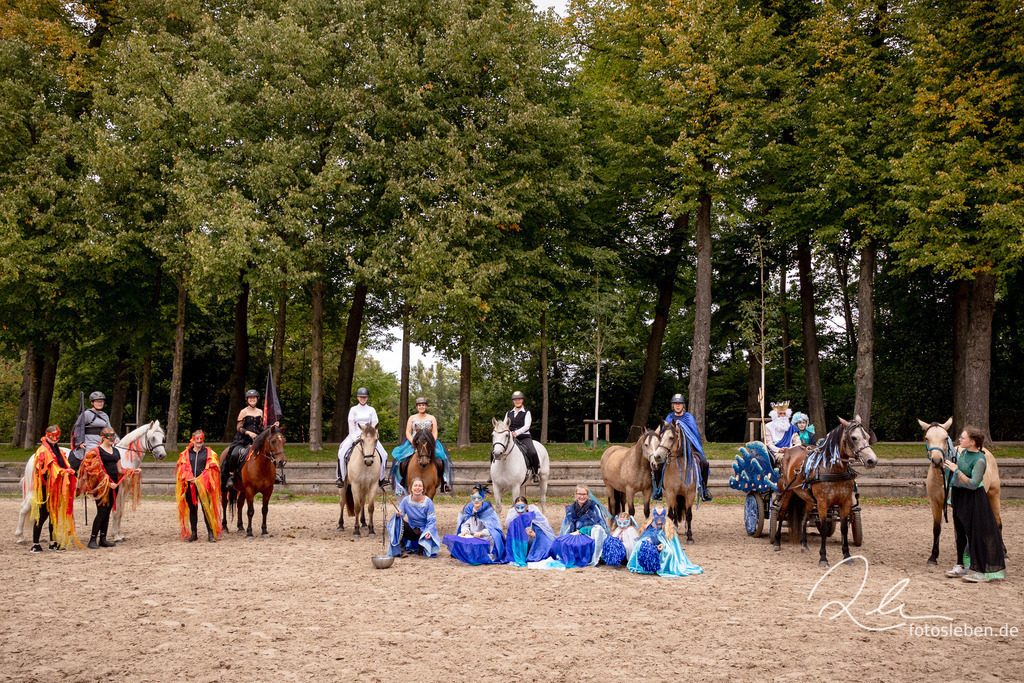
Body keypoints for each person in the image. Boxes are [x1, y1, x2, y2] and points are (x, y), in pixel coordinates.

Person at [943, 426, 1005, 582]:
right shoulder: (964, 453)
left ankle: (981, 571)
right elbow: (957, 476)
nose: (960, 440)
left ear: (972, 442)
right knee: (960, 532)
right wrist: (949, 469)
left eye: (963, 438)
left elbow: (973, 483)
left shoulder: (980, 459)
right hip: (959, 497)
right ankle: (961, 565)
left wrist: (956, 470)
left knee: (975, 534)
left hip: (973, 499)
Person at [29, 425, 81, 552]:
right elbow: (43, 470)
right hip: (45, 487)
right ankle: (35, 543)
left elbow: (62, 464)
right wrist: (62, 471)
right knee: (42, 515)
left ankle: (53, 542)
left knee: (54, 515)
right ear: (46, 435)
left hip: (57, 487)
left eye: (56, 436)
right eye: (51, 436)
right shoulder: (42, 451)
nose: (54, 438)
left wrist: (68, 470)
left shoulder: (58, 450)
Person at [390, 397, 453, 493]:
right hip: (415, 442)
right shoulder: (412, 418)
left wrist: (432, 441)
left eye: (423, 405)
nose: (421, 407)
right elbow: (407, 432)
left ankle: (444, 482)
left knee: (442, 458)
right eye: (419, 405)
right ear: (417, 407)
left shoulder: (432, 418)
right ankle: (402, 481)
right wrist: (413, 441)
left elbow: (435, 432)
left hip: (429, 443)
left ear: (426, 407)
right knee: (401, 460)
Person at [627, 504, 703, 577]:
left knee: (668, 551)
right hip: (650, 544)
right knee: (639, 546)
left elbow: (670, 541)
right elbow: (645, 536)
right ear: (653, 516)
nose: (659, 518)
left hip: (663, 545)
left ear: (665, 516)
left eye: (662, 515)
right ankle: (645, 567)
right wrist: (647, 541)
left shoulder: (669, 527)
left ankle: (663, 568)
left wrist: (663, 544)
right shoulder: (649, 525)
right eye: (657, 515)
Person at [336, 387, 390, 489]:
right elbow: (351, 424)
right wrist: (353, 438)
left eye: (365, 397)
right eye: (361, 397)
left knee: (384, 454)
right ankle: (340, 477)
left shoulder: (371, 410)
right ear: (357, 397)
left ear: (367, 398)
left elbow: (374, 424)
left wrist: (374, 436)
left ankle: (382, 478)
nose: (363, 399)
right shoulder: (353, 409)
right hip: (356, 434)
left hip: (369, 436)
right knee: (342, 452)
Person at [79, 428, 123, 549]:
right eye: (110, 438)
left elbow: (119, 469)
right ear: (103, 438)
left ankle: (103, 538)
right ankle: (93, 538)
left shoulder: (116, 451)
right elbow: (95, 472)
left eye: (113, 437)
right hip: (101, 486)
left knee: (108, 511)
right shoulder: (96, 451)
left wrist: (132, 472)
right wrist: (108, 484)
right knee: (102, 511)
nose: (113, 440)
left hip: (114, 484)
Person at [174, 430, 221, 543]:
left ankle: (210, 533)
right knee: (192, 509)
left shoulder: (209, 452)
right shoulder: (186, 454)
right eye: (197, 439)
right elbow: (182, 469)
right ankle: (194, 533)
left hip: (204, 486)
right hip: (190, 486)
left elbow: (211, 468)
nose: (199, 441)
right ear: (193, 440)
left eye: (201, 439)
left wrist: (200, 479)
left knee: (206, 509)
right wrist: (190, 478)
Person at [664, 393, 712, 502]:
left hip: (690, 448)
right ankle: (658, 489)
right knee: (659, 463)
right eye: (675, 404)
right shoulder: (669, 417)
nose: (677, 406)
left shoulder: (688, 417)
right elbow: (665, 434)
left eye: (679, 404)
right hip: (671, 449)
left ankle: (704, 489)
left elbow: (693, 433)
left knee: (704, 462)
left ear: (683, 405)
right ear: (673, 405)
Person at [442, 484, 506, 564]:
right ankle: (470, 554)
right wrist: (465, 531)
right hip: (472, 535)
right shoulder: (468, 510)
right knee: (461, 537)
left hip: (484, 536)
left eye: (479, 498)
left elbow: (492, 528)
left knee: (493, 537)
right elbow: (465, 524)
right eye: (474, 498)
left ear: (483, 499)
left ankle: (488, 555)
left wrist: (481, 532)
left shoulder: (487, 511)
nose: (476, 500)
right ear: (471, 498)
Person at [550, 484, 611, 568]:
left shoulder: (594, 507)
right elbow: (566, 526)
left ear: (588, 495)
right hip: (575, 535)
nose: (581, 497)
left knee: (598, 530)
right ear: (575, 495)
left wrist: (584, 530)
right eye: (579, 494)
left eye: (584, 494)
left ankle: (595, 558)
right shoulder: (571, 509)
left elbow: (601, 525)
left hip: (589, 536)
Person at [386, 478, 440, 558]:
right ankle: (401, 550)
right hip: (410, 530)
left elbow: (431, 521)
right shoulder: (405, 500)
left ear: (423, 489)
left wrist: (428, 531)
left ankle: (444, 484)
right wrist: (397, 514)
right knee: (397, 521)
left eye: (420, 486)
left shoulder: (428, 502)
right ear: (411, 488)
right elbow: (401, 515)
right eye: (415, 486)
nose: (417, 488)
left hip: (423, 531)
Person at [224, 389, 265, 489]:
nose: (252, 399)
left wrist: (272, 425)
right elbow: (239, 428)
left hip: (257, 438)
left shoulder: (260, 411)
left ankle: (273, 476)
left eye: (254, 398)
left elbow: (262, 426)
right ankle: (232, 477)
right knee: (234, 453)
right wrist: (248, 433)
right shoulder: (243, 411)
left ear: (257, 399)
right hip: (244, 439)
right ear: (247, 400)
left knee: (269, 451)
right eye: (250, 398)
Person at [502, 496, 556, 566]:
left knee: (548, 546)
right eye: (517, 508)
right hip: (521, 544)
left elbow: (543, 531)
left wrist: (535, 535)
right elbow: (511, 536)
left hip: (534, 541)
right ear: (515, 508)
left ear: (527, 507)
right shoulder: (513, 518)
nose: (520, 510)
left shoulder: (534, 515)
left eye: (522, 507)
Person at [70, 391, 117, 470]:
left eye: (102, 401)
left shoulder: (104, 415)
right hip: (89, 441)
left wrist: (116, 439)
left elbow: (109, 429)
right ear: (92, 402)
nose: (100, 403)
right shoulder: (86, 414)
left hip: (102, 440)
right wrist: (79, 442)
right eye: (98, 401)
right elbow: (78, 428)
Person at [506, 391, 539, 483]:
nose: (517, 401)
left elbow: (527, 426)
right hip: (511, 437)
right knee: (496, 450)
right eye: (515, 400)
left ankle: (535, 472)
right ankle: (492, 474)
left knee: (532, 452)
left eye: (519, 400)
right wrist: (508, 433)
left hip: (524, 437)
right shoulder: (509, 413)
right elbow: (505, 425)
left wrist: (517, 432)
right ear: (513, 401)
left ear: (522, 400)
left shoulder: (527, 412)